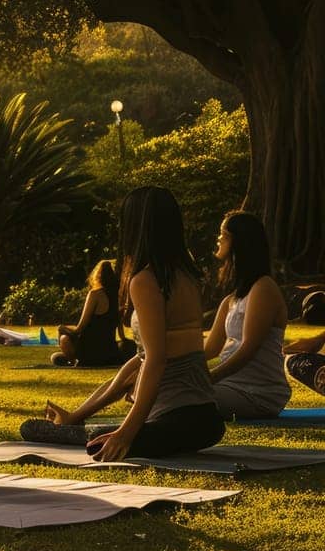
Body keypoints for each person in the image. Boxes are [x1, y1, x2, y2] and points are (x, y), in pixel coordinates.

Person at [21, 187, 226, 460]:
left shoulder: (145, 281)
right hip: (208, 419)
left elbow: (156, 360)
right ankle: (82, 427)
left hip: (177, 418)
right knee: (108, 436)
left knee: (98, 446)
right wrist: (77, 415)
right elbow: (135, 367)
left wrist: (126, 433)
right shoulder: (186, 276)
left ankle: (88, 433)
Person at [198, 212, 290, 419]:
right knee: (169, 392)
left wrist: (209, 378)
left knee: (179, 399)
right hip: (230, 386)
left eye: (224, 234)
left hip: (257, 392)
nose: (218, 238)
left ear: (239, 242)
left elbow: (248, 348)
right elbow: (209, 349)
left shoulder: (264, 288)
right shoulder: (231, 299)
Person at [42, 260, 131, 367]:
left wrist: (62, 328)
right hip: (109, 352)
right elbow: (121, 331)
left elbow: (80, 328)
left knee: (62, 341)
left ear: (98, 275)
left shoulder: (95, 294)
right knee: (57, 356)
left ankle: (74, 362)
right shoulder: (120, 297)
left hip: (89, 352)